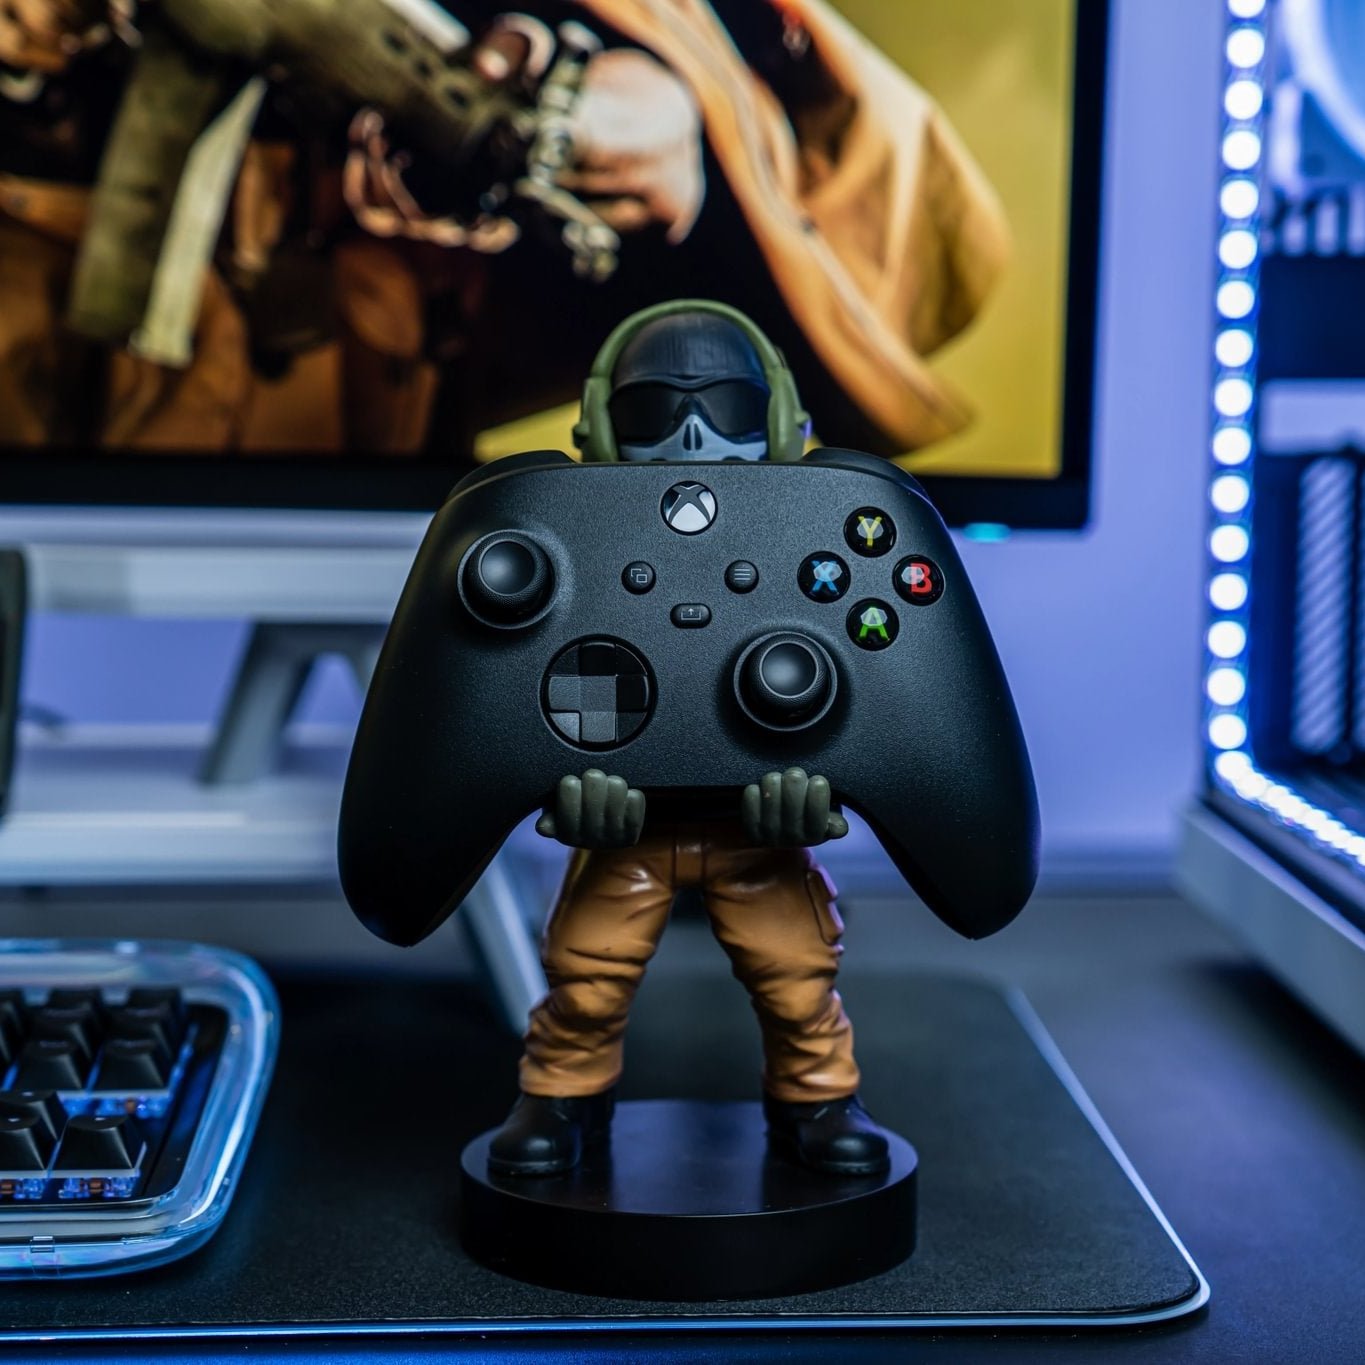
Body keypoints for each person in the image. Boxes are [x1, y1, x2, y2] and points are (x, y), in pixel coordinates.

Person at [487, 298, 893, 1179]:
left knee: (797, 974)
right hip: (630, 827)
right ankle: (560, 1096)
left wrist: (814, 792)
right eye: (653, 411)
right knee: (585, 974)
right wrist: (574, 791)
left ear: (779, 424)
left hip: (755, 827)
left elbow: (852, 694)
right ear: (601, 430)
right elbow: (546, 694)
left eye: (729, 408)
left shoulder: (811, 557)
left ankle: (819, 1099)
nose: (695, 438)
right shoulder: (580, 557)